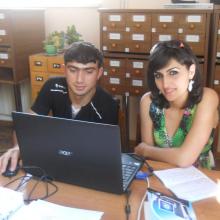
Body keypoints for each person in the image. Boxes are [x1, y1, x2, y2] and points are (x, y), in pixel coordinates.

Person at [0, 41, 119, 173]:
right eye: (73, 70)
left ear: (99, 73)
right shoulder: (52, 86)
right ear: (64, 70)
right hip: (55, 161)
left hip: (86, 169)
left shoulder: (108, 105)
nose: (80, 79)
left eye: (88, 71)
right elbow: (26, 127)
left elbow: (104, 156)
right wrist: (18, 147)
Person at [135, 40, 219, 169]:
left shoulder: (207, 98)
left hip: (199, 178)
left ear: (191, 71)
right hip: (160, 174)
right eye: (158, 75)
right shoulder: (148, 102)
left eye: (173, 73)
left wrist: (145, 149)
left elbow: (185, 158)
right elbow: (149, 159)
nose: (165, 84)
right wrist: (147, 151)